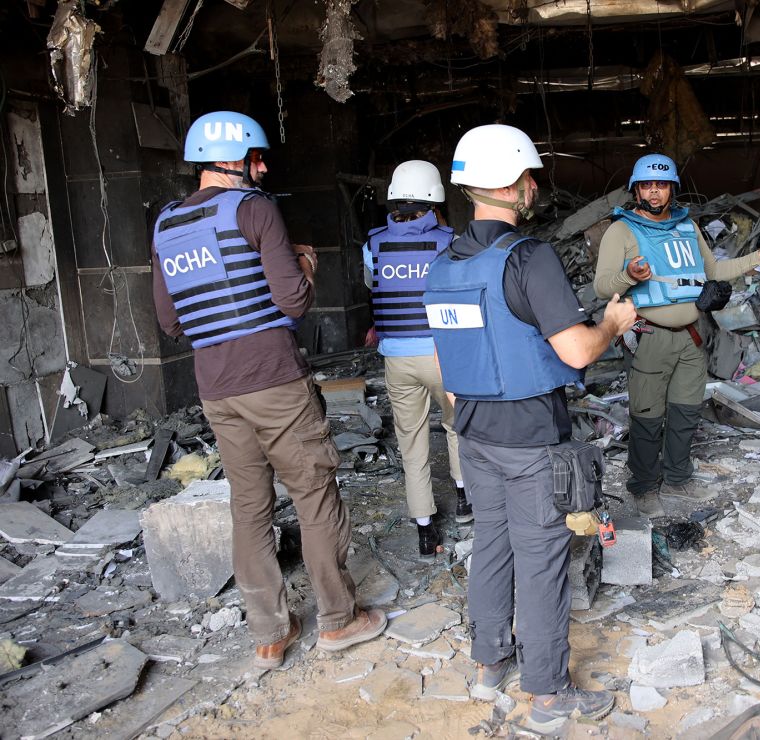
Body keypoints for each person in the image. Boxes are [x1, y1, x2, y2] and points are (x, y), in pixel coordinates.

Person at [151, 111, 387, 670]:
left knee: (249, 507)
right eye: (257, 157)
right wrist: (303, 264)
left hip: (216, 389)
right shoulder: (254, 209)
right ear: (231, 161)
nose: (264, 166)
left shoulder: (163, 225)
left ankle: (268, 635)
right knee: (313, 493)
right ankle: (339, 620)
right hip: (275, 382)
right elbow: (294, 303)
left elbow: (170, 322)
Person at [424, 124, 637, 733]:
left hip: (474, 433)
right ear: (516, 185)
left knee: (491, 544)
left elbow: (449, 367)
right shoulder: (528, 256)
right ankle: (548, 691)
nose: (535, 187)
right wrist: (614, 324)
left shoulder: (443, 266)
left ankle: (491, 661)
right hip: (530, 439)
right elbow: (574, 352)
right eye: (530, 177)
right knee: (541, 557)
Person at [593, 153, 760, 519]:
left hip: (690, 336)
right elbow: (603, 285)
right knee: (648, 417)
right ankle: (642, 487)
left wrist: (757, 258)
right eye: (647, 186)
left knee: (686, 411)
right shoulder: (621, 230)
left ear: (672, 190)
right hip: (649, 337)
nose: (654, 192)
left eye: (661, 185)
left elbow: (713, 269)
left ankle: (677, 479)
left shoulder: (688, 227)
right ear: (637, 189)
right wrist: (630, 276)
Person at [363, 160, 469, 558]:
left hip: (398, 360)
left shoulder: (373, 243)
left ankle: (425, 529)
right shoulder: (450, 241)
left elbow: (372, 286)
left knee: (412, 443)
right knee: (459, 427)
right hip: (444, 355)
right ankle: (464, 501)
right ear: (435, 200)